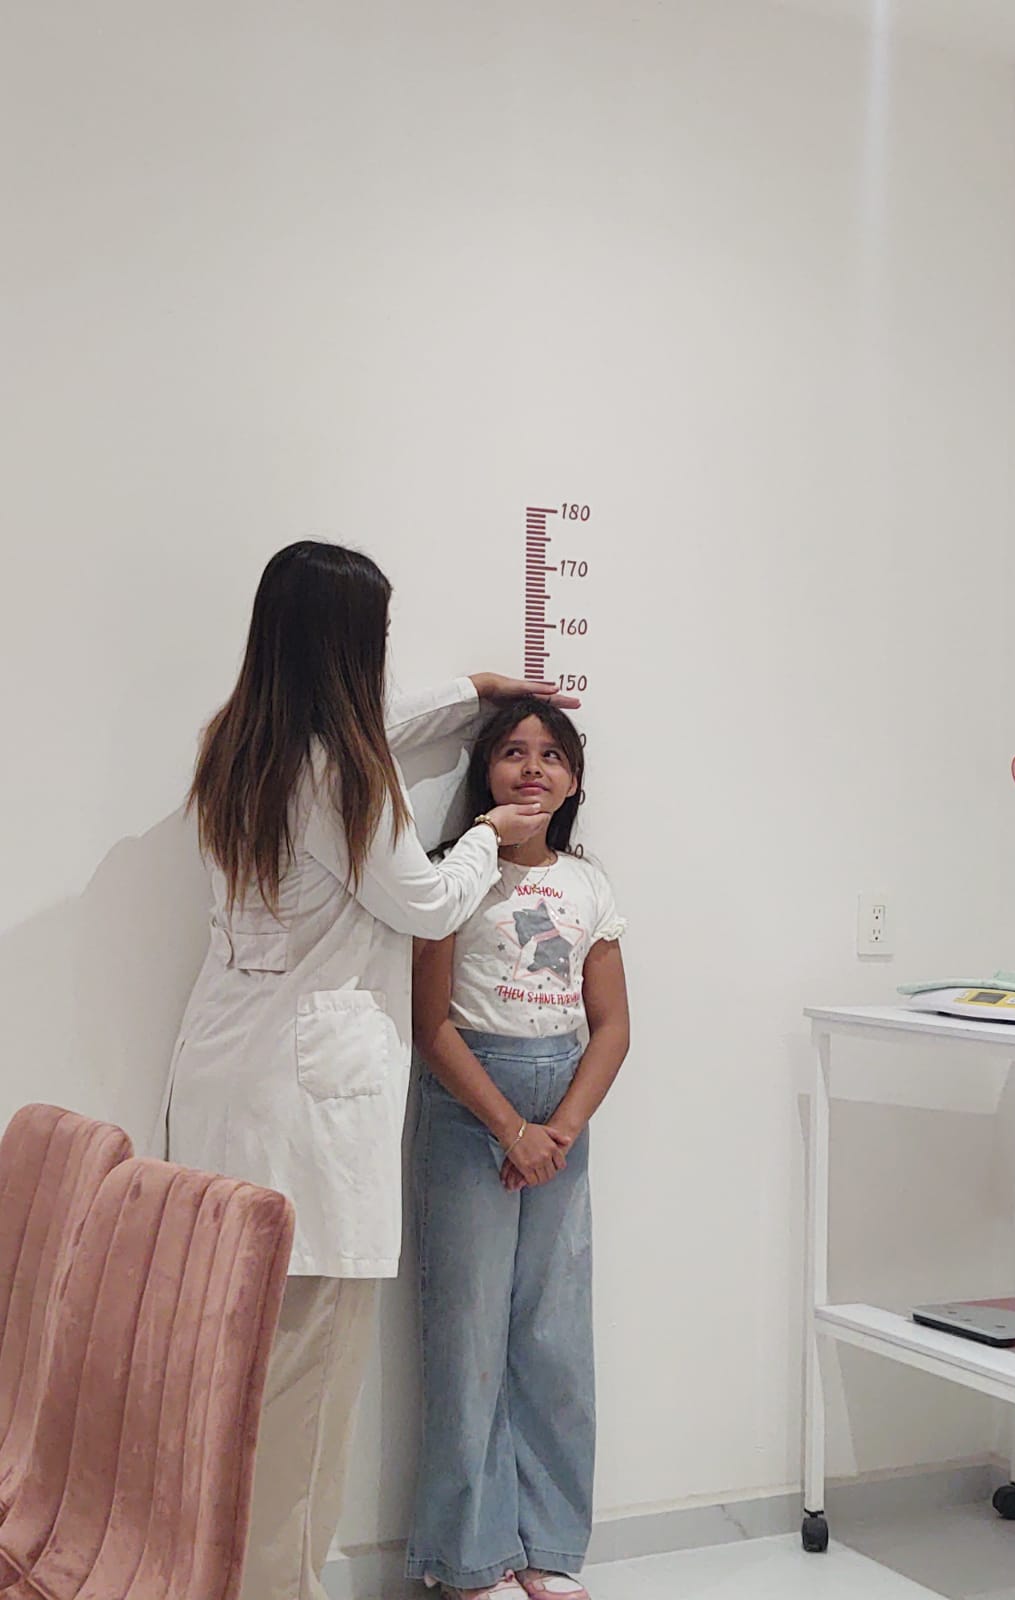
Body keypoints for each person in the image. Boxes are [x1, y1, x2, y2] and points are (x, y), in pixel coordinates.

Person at [165, 541, 577, 1600]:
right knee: (303, 1387)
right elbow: (428, 905)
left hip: (222, 1081)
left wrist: (472, 694)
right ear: (348, 645)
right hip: (307, 1107)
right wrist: (487, 833)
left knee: (235, 1372)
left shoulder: (235, 744)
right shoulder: (342, 778)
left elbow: (367, 726)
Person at [407, 698, 630, 1600]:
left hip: (562, 1113)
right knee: (467, 1334)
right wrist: (511, 1129)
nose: (532, 768)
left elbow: (612, 1026)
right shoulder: (453, 876)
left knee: (554, 1333)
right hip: (473, 1109)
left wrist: (560, 1130)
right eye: (512, 751)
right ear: (484, 772)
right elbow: (430, 1024)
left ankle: (549, 1545)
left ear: (573, 780)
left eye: (551, 755)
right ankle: (469, 1558)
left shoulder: (588, 883)